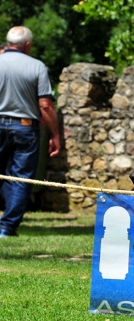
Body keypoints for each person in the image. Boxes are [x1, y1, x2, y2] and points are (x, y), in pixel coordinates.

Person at [0, 26, 60, 237]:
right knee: (21, 178)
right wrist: (55, 135)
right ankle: (7, 228)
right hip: (25, 128)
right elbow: (45, 105)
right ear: (27, 45)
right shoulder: (37, 66)